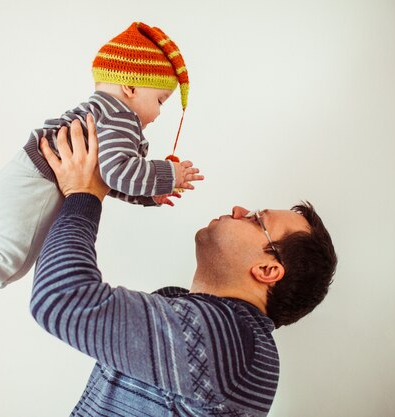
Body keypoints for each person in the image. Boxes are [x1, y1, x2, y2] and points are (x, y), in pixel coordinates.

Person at [32, 117, 337, 416]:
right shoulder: (215, 331)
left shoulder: (232, 342)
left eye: (257, 219)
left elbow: (60, 298)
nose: (239, 210)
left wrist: (83, 195)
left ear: (267, 270)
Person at [0, 22, 203, 313]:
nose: (158, 113)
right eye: (160, 101)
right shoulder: (121, 117)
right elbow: (119, 172)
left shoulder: (103, 112)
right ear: (130, 87)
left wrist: (147, 195)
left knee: (12, 267)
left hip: (20, 185)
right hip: (31, 188)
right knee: (5, 265)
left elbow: (105, 175)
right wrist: (169, 175)